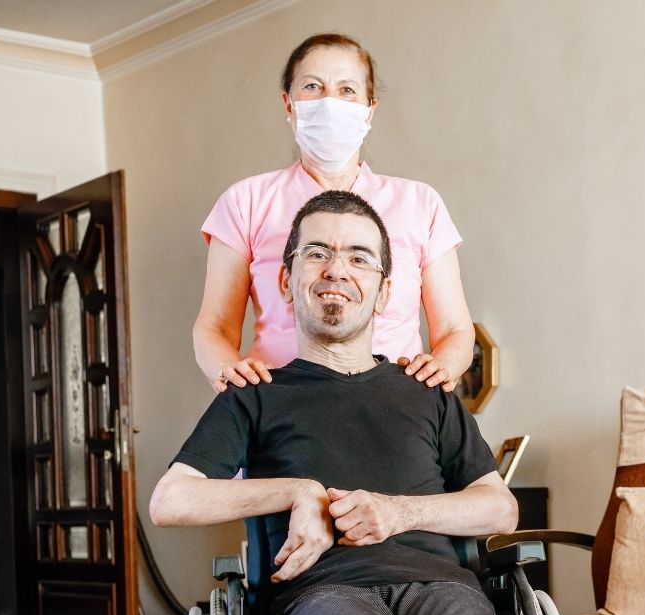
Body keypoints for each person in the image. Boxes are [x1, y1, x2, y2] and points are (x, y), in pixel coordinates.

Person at [152, 191, 517, 615]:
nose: (336, 270)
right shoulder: (255, 392)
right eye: (316, 253)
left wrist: (397, 512)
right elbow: (170, 501)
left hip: (438, 587)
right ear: (285, 278)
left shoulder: (425, 391)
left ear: (386, 287)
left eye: (358, 258)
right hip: (319, 598)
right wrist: (299, 491)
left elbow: (499, 507)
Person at [194, 32, 474, 395]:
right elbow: (214, 326)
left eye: (347, 90)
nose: (329, 102)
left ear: (370, 108)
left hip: (394, 403)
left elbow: (455, 328)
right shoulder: (245, 201)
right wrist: (235, 383)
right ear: (288, 103)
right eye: (312, 86)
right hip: (282, 403)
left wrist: (442, 370)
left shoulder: (421, 203)